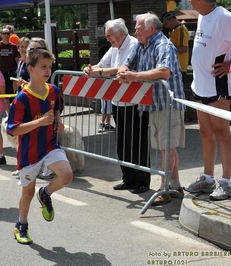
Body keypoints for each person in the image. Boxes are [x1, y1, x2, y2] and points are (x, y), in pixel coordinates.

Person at [116, 12, 186, 205]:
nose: (135, 30)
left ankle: (165, 188)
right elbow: (126, 63)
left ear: (152, 28)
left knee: (166, 147)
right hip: (154, 103)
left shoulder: (163, 45)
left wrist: (134, 76)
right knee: (166, 148)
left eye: (139, 27)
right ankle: (176, 185)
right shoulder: (141, 45)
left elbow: (164, 71)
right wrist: (123, 69)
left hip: (167, 103)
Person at [7, 48, 73, 244]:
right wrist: (39, 122)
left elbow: (56, 109)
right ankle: (22, 225)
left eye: (50, 67)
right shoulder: (21, 99)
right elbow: (13, 130)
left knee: (67, 175)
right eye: (43, 67)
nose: (47, 71)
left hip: (50, 145)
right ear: (30, 69)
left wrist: (58, 122)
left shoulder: (54, 91)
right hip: (29, 153)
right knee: (27, 193)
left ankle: (45, 194)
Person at [83, 18, 150, 194]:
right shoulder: (114, 47)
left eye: (109, 36)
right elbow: (102, 65)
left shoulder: (134, 44)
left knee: (137, 141)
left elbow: (121, 69)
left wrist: (100, 71)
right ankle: (128, 178)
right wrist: (90, 69)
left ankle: (142, 180)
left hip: (135, 101)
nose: (108, 40)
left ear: (121, 33)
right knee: (122, 141)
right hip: (118, 100)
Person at [183, 0, 231, 201]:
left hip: (217, 85)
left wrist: (228, 63)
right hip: (199, 85)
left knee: (221, 131)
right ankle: (208, 178)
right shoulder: (202, 16)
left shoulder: (224, 17)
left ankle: (227, 182)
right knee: (205, 132)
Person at [0, 27, 20, 112]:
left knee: (12, 92)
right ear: (0, 35)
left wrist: (18, 72)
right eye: (4, 33)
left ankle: (11, 110)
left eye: (8, 33)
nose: (6, 35)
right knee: (4, 93)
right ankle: (8, 112)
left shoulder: (13, 47)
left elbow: (17, 60)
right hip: (0, 73)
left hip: (11, 72)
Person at [161, 11, 189, 84]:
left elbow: (183, 48)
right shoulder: (175, 30)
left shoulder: (181, 29)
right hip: (175, 66)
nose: (166, 27)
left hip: (179, 67)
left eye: (167, 24)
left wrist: (166, 49)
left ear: (172, 20)